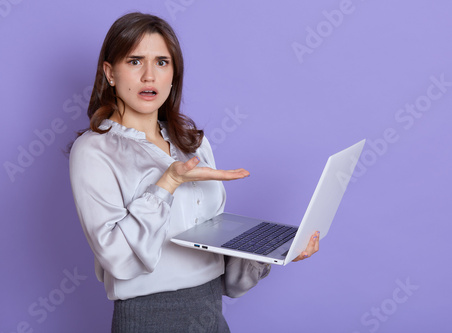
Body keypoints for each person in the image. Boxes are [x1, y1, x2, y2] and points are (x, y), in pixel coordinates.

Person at [69, 12, 319, 333]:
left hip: (210, 315)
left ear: (173, 74)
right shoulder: (94, 150)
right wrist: (167, 183)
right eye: (134, 61)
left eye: (162, 62)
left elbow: (218, 258)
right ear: (110, 73)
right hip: (148, 319)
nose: (149, 76)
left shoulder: (192, 144)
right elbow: (117, 258)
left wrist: (275, 251)